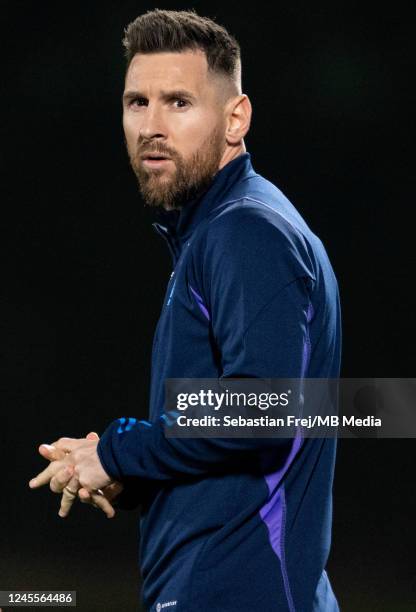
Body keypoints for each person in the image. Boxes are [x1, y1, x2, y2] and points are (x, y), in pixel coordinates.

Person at [29, 9, 342, 612]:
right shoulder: (227, 229)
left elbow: (266, 409)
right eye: (136, 102)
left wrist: (120, 450)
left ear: (235, 119)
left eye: (178, 103)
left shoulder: (245, 232)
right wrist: (135, 471)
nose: (150, 125)